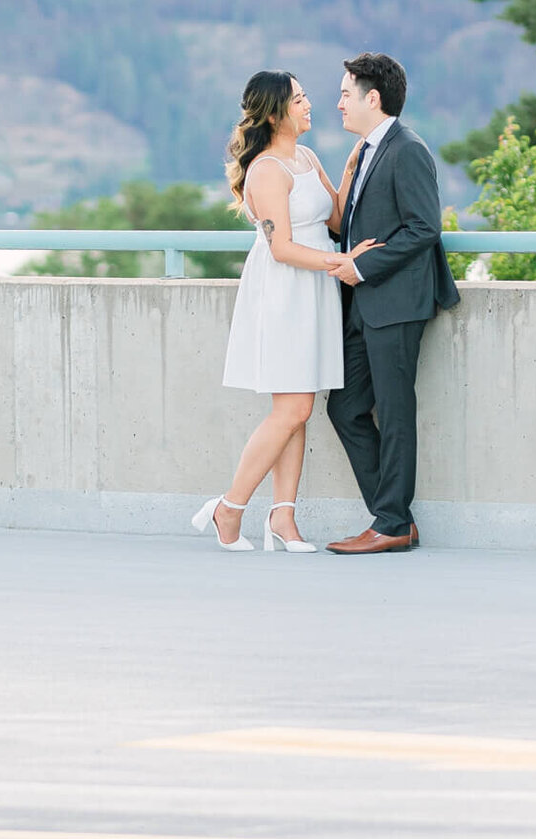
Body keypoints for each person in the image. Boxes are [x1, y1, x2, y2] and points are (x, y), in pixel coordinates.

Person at [191, 72, 377, 553]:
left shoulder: (307, 158)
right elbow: (281, 248)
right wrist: (343, 264)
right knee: (291, 408)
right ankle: (228, 509)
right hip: (285, 291)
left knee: (299, 410)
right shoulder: (267, 169)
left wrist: (353, 169)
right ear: (275, 113)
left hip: (314, 288)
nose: (309, 104)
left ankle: (283, 519)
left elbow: (334, 220)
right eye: (298, 99)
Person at [323, 51, 460, 554]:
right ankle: (394, 516)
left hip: (397, 302)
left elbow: (425, 228)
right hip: (364, 304)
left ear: (371, 98)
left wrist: (360, 268)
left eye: (344, 93)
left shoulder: (407, 149)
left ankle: (392, 523)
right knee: (345, 406)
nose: (338, 102)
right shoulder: (366, 149)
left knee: (396, 413)